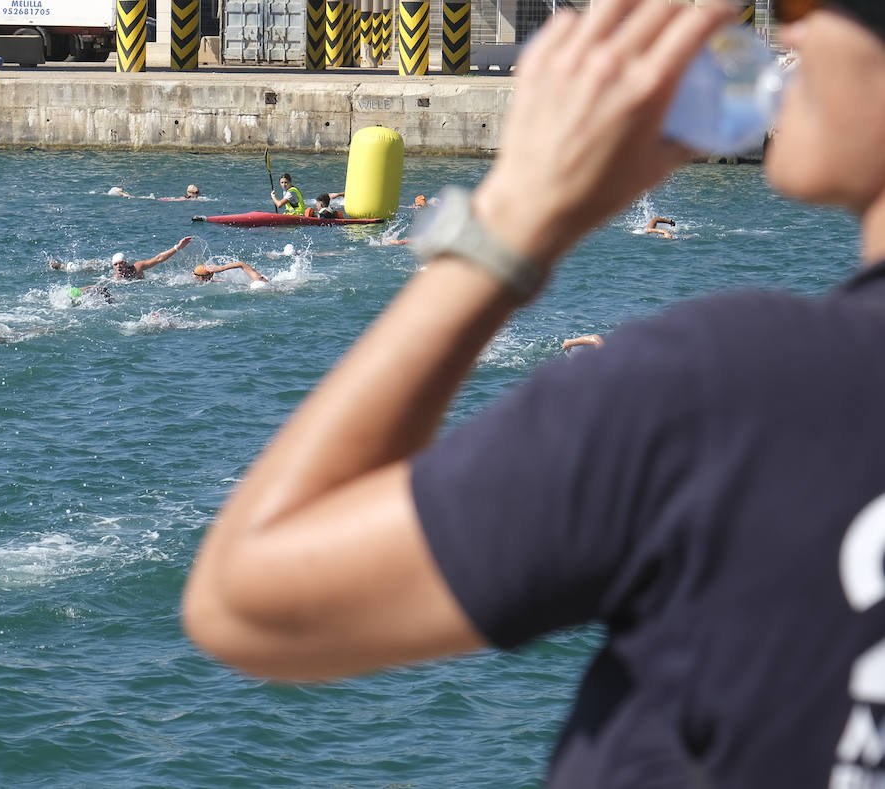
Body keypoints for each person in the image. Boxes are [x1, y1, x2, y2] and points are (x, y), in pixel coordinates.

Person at [183, 1, 885, 785]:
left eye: (807, 6)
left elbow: (248, 599)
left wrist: (515, 215)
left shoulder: (726, 389)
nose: (786, 33)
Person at [111, 237, 193, 280]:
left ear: (126, 263)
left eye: (121, 263)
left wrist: (177, 247)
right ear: (113, 267)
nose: (118, 266)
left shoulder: (137, 267)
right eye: (115, 264)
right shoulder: (115, 279)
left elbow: (158, 259)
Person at [193, 261, 268, 283]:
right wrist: (221, 268)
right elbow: (241, 264)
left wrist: (221, 268)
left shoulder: (259, 280)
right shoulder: (259, 281)